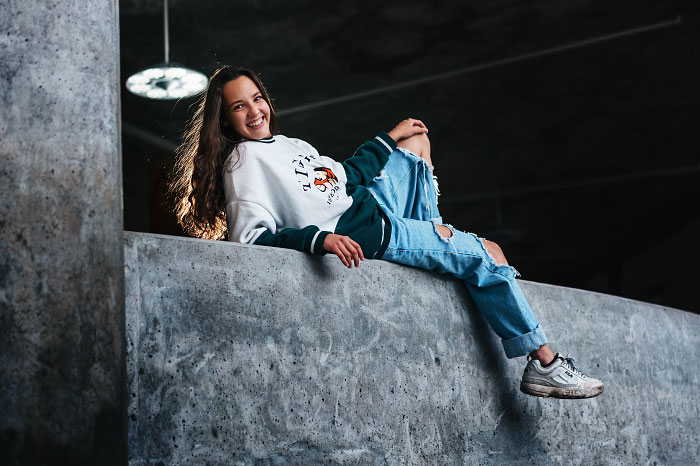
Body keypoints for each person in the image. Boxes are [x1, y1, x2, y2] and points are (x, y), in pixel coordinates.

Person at [170, 66, 604, 399]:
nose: (254, 110)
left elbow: (347, 180)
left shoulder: (290, 147)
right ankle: (543, 362)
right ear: (225, 120)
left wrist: (388, 137)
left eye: (257, 98)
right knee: (488, 254)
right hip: (376, 235)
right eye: (239, 106)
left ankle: (435, 237)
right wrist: (319, 240)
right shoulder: (243, 163)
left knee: (414, 143)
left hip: (374, 210)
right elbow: (250, 240)